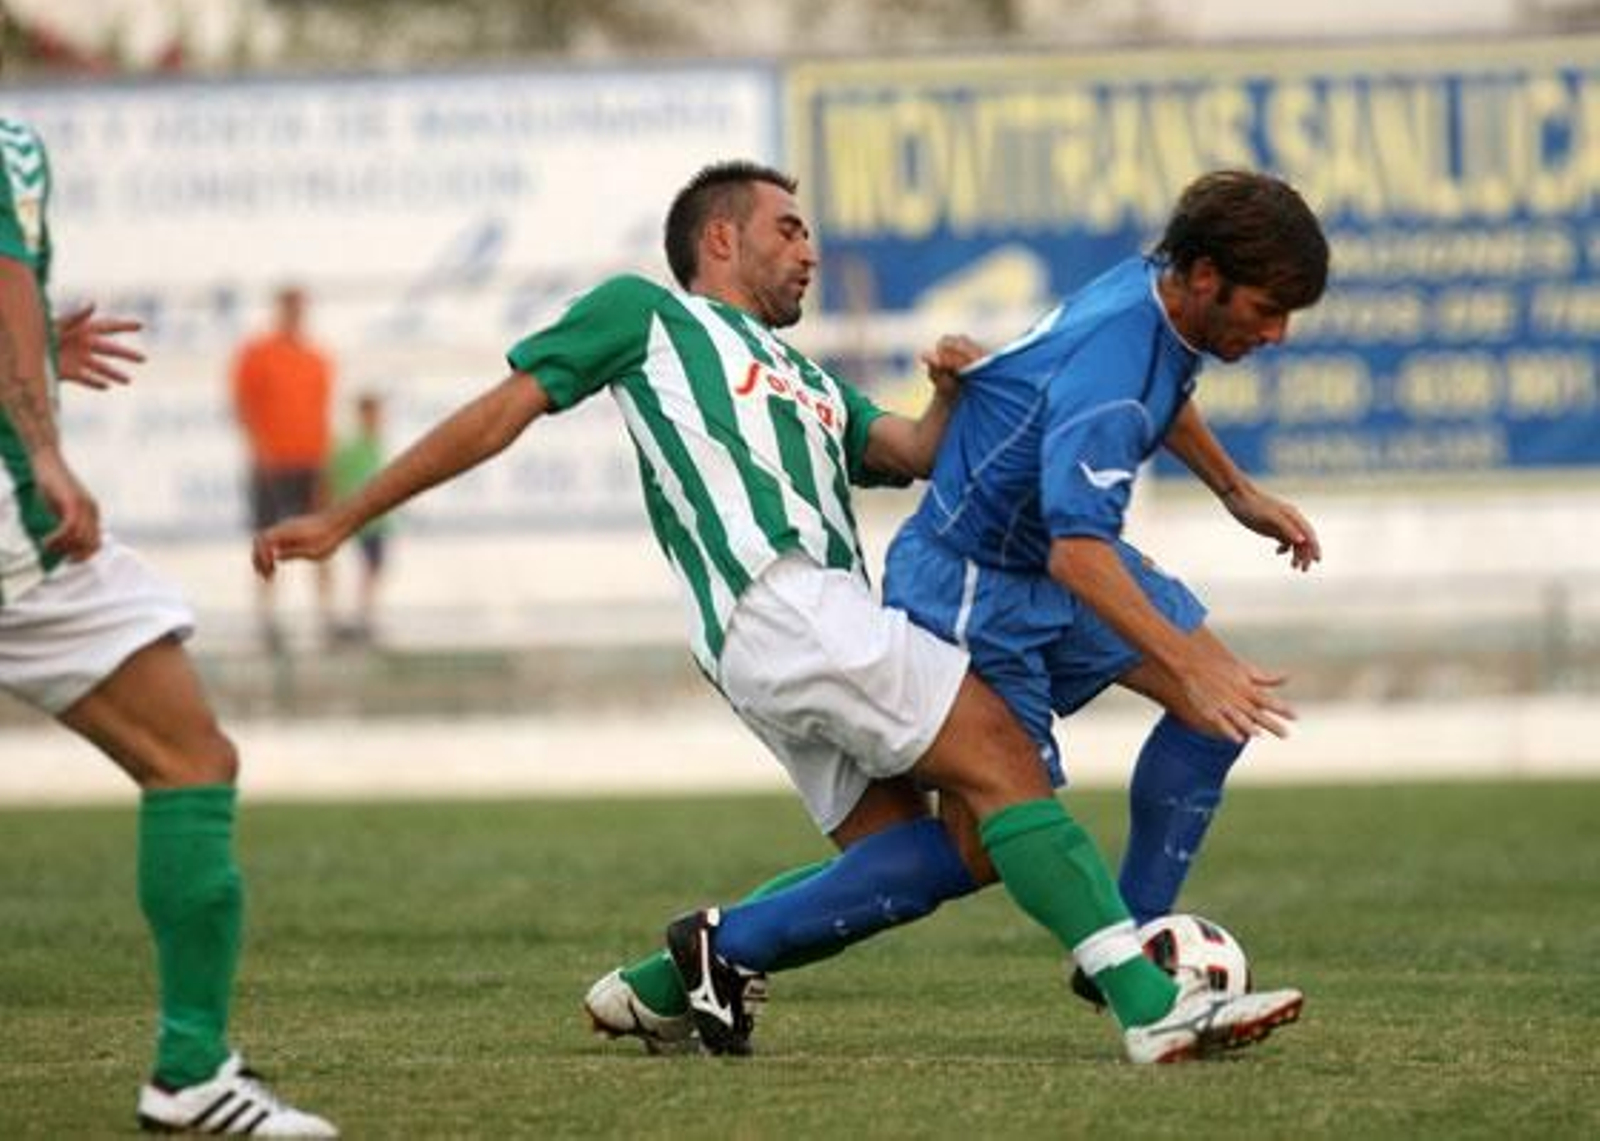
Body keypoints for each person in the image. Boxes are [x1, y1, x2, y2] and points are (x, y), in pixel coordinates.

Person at [254, 159, 1303, 1065]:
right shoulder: (647, 315)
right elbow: (499, 413)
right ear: (720, 237)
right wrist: (345, 515)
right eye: (788, 231)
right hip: (782, 600)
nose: (808, 252)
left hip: (806, 624)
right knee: (1006, 767)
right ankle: (1148, 1007)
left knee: (960, 850)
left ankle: (680, 969)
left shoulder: (803, 377)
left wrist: (946, 391)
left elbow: (913, 454)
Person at [585, 168, 1328, 1047]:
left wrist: (1236, 491)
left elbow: (1165, 389)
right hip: (979, 575)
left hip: (1040, 554)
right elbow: (1078, 548)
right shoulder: (1115, 368)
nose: (1277, 333)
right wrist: (1188, 662)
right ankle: (725, 947)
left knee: (1217, 715)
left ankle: (1129, 947)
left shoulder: (1153, 295)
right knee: (986, 838)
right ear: (1206, 278)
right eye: (1269, 309)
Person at [0, 113, 335, 1135]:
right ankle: (189, 1065)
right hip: (16, 526)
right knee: (191, 758)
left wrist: (35, 354)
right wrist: (43, 437)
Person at [230, 284, 334, 648]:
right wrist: (258, 450)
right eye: (289, 306)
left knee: (323, 536)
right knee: (268, 541)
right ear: (279, 308)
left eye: (300, 306)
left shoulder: (318, 358)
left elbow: (323, 414)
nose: (295, 313)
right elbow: (242, 405)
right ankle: (267, 621)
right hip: (271, 463)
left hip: (310, 461)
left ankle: (326, 618)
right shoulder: (257, 354)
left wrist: (324, 463)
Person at [326, 391, 392, 643]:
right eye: (372, 413)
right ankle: (356, 617)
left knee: (374, 567)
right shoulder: (352, 448)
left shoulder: (375, 444)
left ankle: (363, 615)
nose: (377, 419)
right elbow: (334, 477)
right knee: (366, 566)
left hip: (376, 518)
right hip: (362, 518)